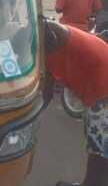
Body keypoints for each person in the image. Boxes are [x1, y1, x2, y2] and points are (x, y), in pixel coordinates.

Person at [44, 21, 108, 186]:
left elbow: (46, 92)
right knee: (97, 146)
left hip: (103, 90)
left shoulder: (51, 33)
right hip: (97, 88)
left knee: (100, 149)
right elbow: (47, 91)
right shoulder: (47, 40)